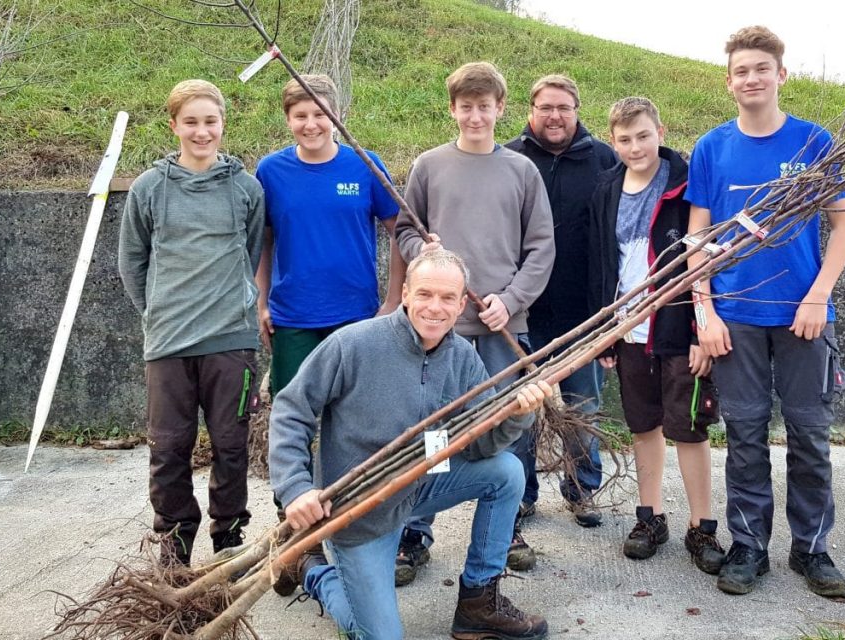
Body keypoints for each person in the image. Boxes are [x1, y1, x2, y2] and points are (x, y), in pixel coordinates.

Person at [269, 249, 552, 640]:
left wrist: (518, 413)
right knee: (379, 636)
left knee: (506, 472)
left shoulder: (463, 359)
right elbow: (291, 410)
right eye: (425, 294)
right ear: (405, 294)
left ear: (461, 304)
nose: (435, 308)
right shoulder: (354, 344)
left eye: (448, 298)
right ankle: (313, 571)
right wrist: (296, 489)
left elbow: (481, 446)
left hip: (419, 487)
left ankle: (478, 602)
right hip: (357, 512)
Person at [685, 26, 845, 597]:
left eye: (762, 68)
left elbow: (843, 226)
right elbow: (697, 241)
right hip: (736, 317)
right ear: (728, 81)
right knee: (745, 432)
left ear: (781, 75)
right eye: (741, 71)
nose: (751, 78)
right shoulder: (712, 148)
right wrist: (705, 314)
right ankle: (749, 547)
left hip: (805, 316)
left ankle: (811, 550)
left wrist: (818, 296)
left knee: (810, 433)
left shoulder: (813, 142)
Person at [393, 61, 555, 582]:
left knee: (512, 422)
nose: (475, 115)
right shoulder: (429, 166)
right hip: (440, 326)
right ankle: (415, 529)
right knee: (432, 427)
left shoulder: (521, 171)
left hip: (503, 324)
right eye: (466, 106)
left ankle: (507, 529)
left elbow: (541, 247)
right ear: (453, 110)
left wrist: (510, 300)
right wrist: (426, 253)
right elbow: (405, 231)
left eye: (485, 106)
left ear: (500, 109)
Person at [117, 79, 265, 565]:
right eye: (191, 122)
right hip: (169, 344)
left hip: (231, 340)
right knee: (169, 449)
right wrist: (159, 313)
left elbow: (249, 252)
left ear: (223, 123)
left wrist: (229, 306)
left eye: (210, 122)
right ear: (174, 126)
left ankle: (229, 540)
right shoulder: (148, 189)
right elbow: (131, 262)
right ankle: (174, 543)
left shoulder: (246, 188)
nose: (202, 132)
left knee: (230, 445)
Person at [588, 97, 726, 573]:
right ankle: (650, 517)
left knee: (687, 428)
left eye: (643, 136)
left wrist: (699, 329)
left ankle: (702, 526)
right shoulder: (606, 188)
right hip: (628, 330)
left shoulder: (687, 184)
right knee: (642, 425)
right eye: (624, 139)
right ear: (613, 142)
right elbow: (603, 264)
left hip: (676, 330)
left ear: (660, 132)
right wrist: (607, 331)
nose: (635, 147)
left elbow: (702, 262)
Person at [504, 74, 620, 529]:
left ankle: (582, 489)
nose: (555, 116)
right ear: (530, 110)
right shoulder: (511, 158)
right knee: (522, 409)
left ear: (576, 110)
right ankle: (522, 494)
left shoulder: (604, 159)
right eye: (546, 107)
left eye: (564, 108)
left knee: (581, 407)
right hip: (522, 310)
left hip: (584, 311)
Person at [255, 74, 405, 398]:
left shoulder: (365, 165)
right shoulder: (270, 171)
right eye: (300, 116)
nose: (311, 124)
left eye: (320, 114)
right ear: (287, 119)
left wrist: (394, 299)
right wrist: (261, 301)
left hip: (356, 315)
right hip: (292, 316)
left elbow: (400, 231)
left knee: (356, 412)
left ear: (336, 116)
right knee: (292, 411)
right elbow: (262, 241)